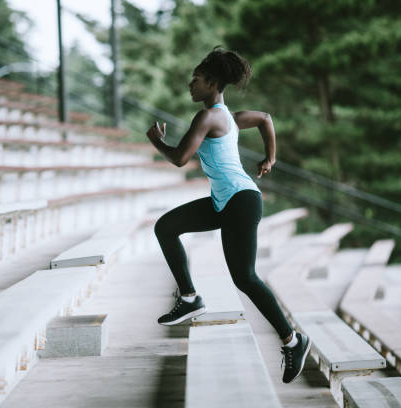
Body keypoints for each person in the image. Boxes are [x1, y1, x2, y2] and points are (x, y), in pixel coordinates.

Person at [144, 46, 311, 384]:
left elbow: (179, 158)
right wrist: (270, 158)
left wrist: (156, 141)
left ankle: (293, 340)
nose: (191, 85)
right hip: (227, 200)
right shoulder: (229, 118)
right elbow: (265, 118)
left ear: (211, 82)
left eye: (196, 80)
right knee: (167, 227)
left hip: (239, 200)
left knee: (245, 277)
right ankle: (189, 298)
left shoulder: (208, 118)